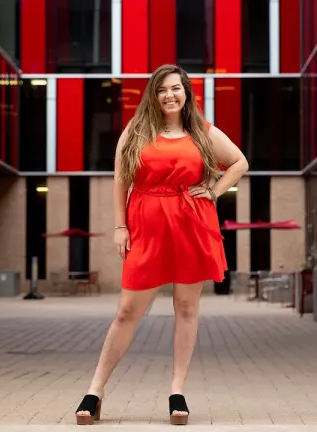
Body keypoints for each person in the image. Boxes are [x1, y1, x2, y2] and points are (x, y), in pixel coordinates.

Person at [74, 64, 248, 426]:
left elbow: (239, 162)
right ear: (152, 95)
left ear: (186, 93)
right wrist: (120, 226)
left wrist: (214, 191)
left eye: (176, 88)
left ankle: (177, 391)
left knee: (186, 307)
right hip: (145, 225)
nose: (169, 95)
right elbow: (121, 180)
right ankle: (95, 390)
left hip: (191, 223)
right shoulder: (136, 130)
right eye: (162, 89)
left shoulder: (202, 131)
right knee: (127, 311)